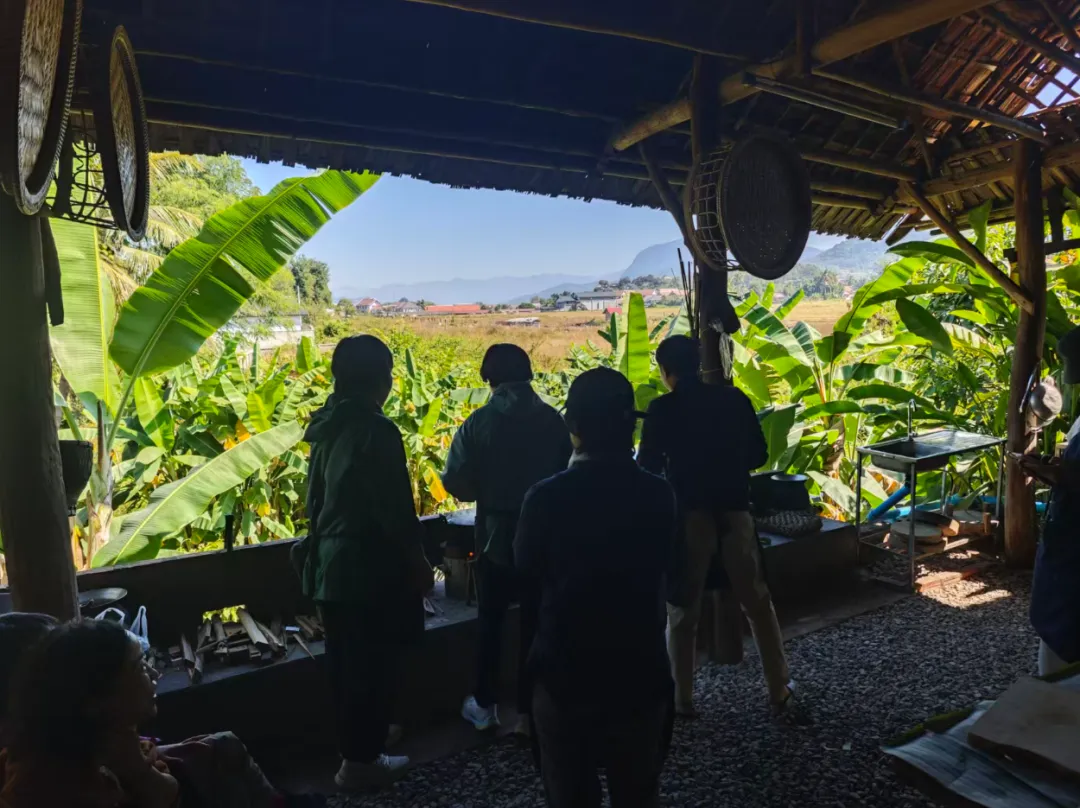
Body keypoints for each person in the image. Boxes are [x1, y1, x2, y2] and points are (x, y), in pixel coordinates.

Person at [515, 367, 676, 808]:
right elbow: (671, 568)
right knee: (637, 792)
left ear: (573, 425)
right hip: (640, 669)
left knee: (568, 791)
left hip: (564, 672)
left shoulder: (544, 498)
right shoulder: (659, 495)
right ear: (631, 428)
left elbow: (525, 572)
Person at [296, 335, 433, 790]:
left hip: (328, 566)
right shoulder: (376, 430)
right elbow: (395, 511)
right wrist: (418, 563)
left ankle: (359, 745)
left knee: (345, 663)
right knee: (372, 666)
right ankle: (361, 762)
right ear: (382, 380)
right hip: (365, 567)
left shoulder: (327, 423)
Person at [638, 335, 795, 718]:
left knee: (683, 613)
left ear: (665, 371)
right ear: (698, 363)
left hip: (689, 516)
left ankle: (681, 701)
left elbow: (648, 466)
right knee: (757, 604)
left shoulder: (661, 409)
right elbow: (758, 455)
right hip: (735, 511)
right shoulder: (734, 399)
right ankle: (779, 690)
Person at [443, 344, 571, 736]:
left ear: (489, 378)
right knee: (536, 622)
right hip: (546, 537)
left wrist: (487, 487)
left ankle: (485, 705)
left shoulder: (478, 423)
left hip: (495, 538)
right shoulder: (554, 420)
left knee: (491, 622)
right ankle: (529, 713)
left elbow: (456, 482)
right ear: (528, 374)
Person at [1, 619, 181, 808]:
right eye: (140, 667)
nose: (154, 674)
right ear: (94, 699)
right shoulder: (55, 787)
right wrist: (138, 771)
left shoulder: (115, 745)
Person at [1020, 324, 1080, 677]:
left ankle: (1058, 696)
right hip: (1066, 535)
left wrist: (1051, 473)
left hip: (1074, 541)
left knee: (1064, 624)